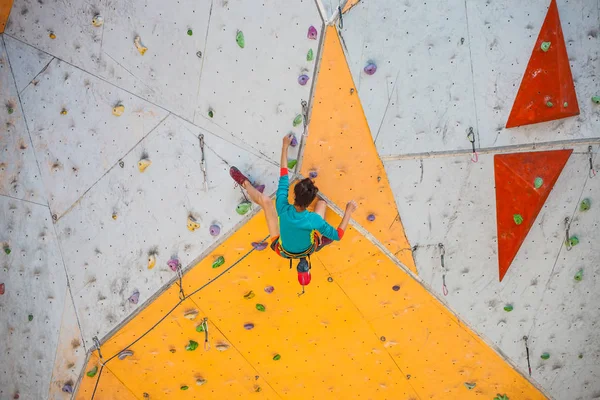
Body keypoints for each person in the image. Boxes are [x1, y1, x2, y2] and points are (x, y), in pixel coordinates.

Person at [229, 134, 357, 288]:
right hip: (284, 250)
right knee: (322, 205)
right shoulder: (312, 220)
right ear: (309, 202)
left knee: (266, 201)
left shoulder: (282, 205)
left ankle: (245, 183)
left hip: (294, 248)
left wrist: (284, 146)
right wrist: (348, 211)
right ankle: (319, 243)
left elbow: (283, 175)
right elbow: (338, 235)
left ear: (294, 194)